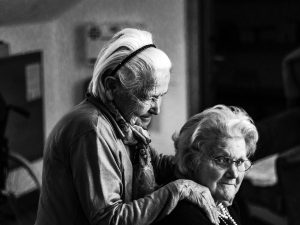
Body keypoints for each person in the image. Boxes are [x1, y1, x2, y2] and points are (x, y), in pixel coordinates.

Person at [34, 28, 220, 225]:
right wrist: (178, 190)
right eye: (150, 97)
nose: (157, 109)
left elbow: (156, 164)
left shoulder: (122, 122)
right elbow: (109, 218)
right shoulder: (92, 129)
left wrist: (206, 162)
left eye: (161, 96)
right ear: (112, 86)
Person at [154, 105, 258, 225]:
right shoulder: (185, 214)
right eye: (222, 160)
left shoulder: (227, 202)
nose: (234, 173)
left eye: (239, 162)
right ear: (191, 161)